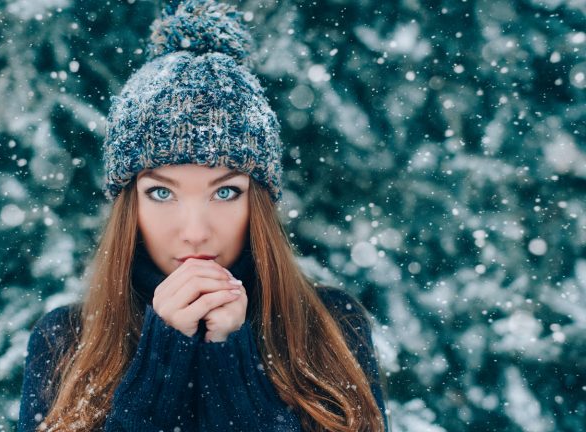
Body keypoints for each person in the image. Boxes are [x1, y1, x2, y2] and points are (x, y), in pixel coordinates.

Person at [19, 0, 389, 430]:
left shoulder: (328, 327)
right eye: (160, 192)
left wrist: (231, 355)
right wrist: (161, 359)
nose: (195, 233)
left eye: (226, 191)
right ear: (129, 206)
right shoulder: (65, 341)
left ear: (259, 204)